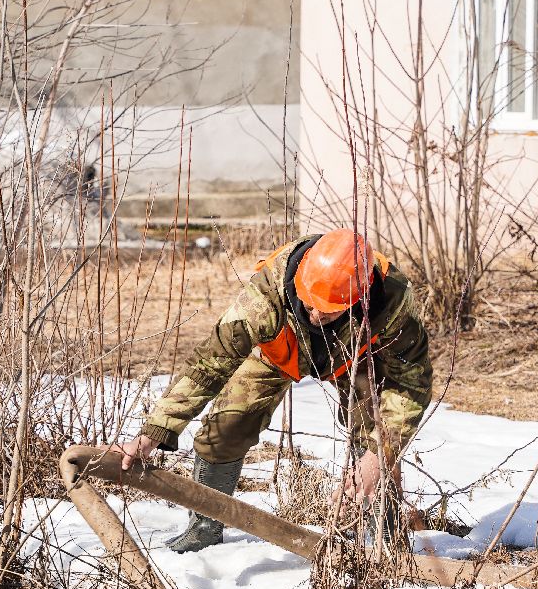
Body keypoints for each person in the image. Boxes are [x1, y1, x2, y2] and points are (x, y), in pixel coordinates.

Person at [113, 228, 433, 553]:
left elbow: (411, 381)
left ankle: (388, 538)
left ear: (359, 297)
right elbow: (211, 363)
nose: (317, 314)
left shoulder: (391, 300)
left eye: (330, 307)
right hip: (279, 352)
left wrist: (378, 455)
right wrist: (155, 429)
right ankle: (204, 529)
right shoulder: (266, 294)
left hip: (356, 355)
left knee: (376, 437)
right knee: (226, 427)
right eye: (310, 303)